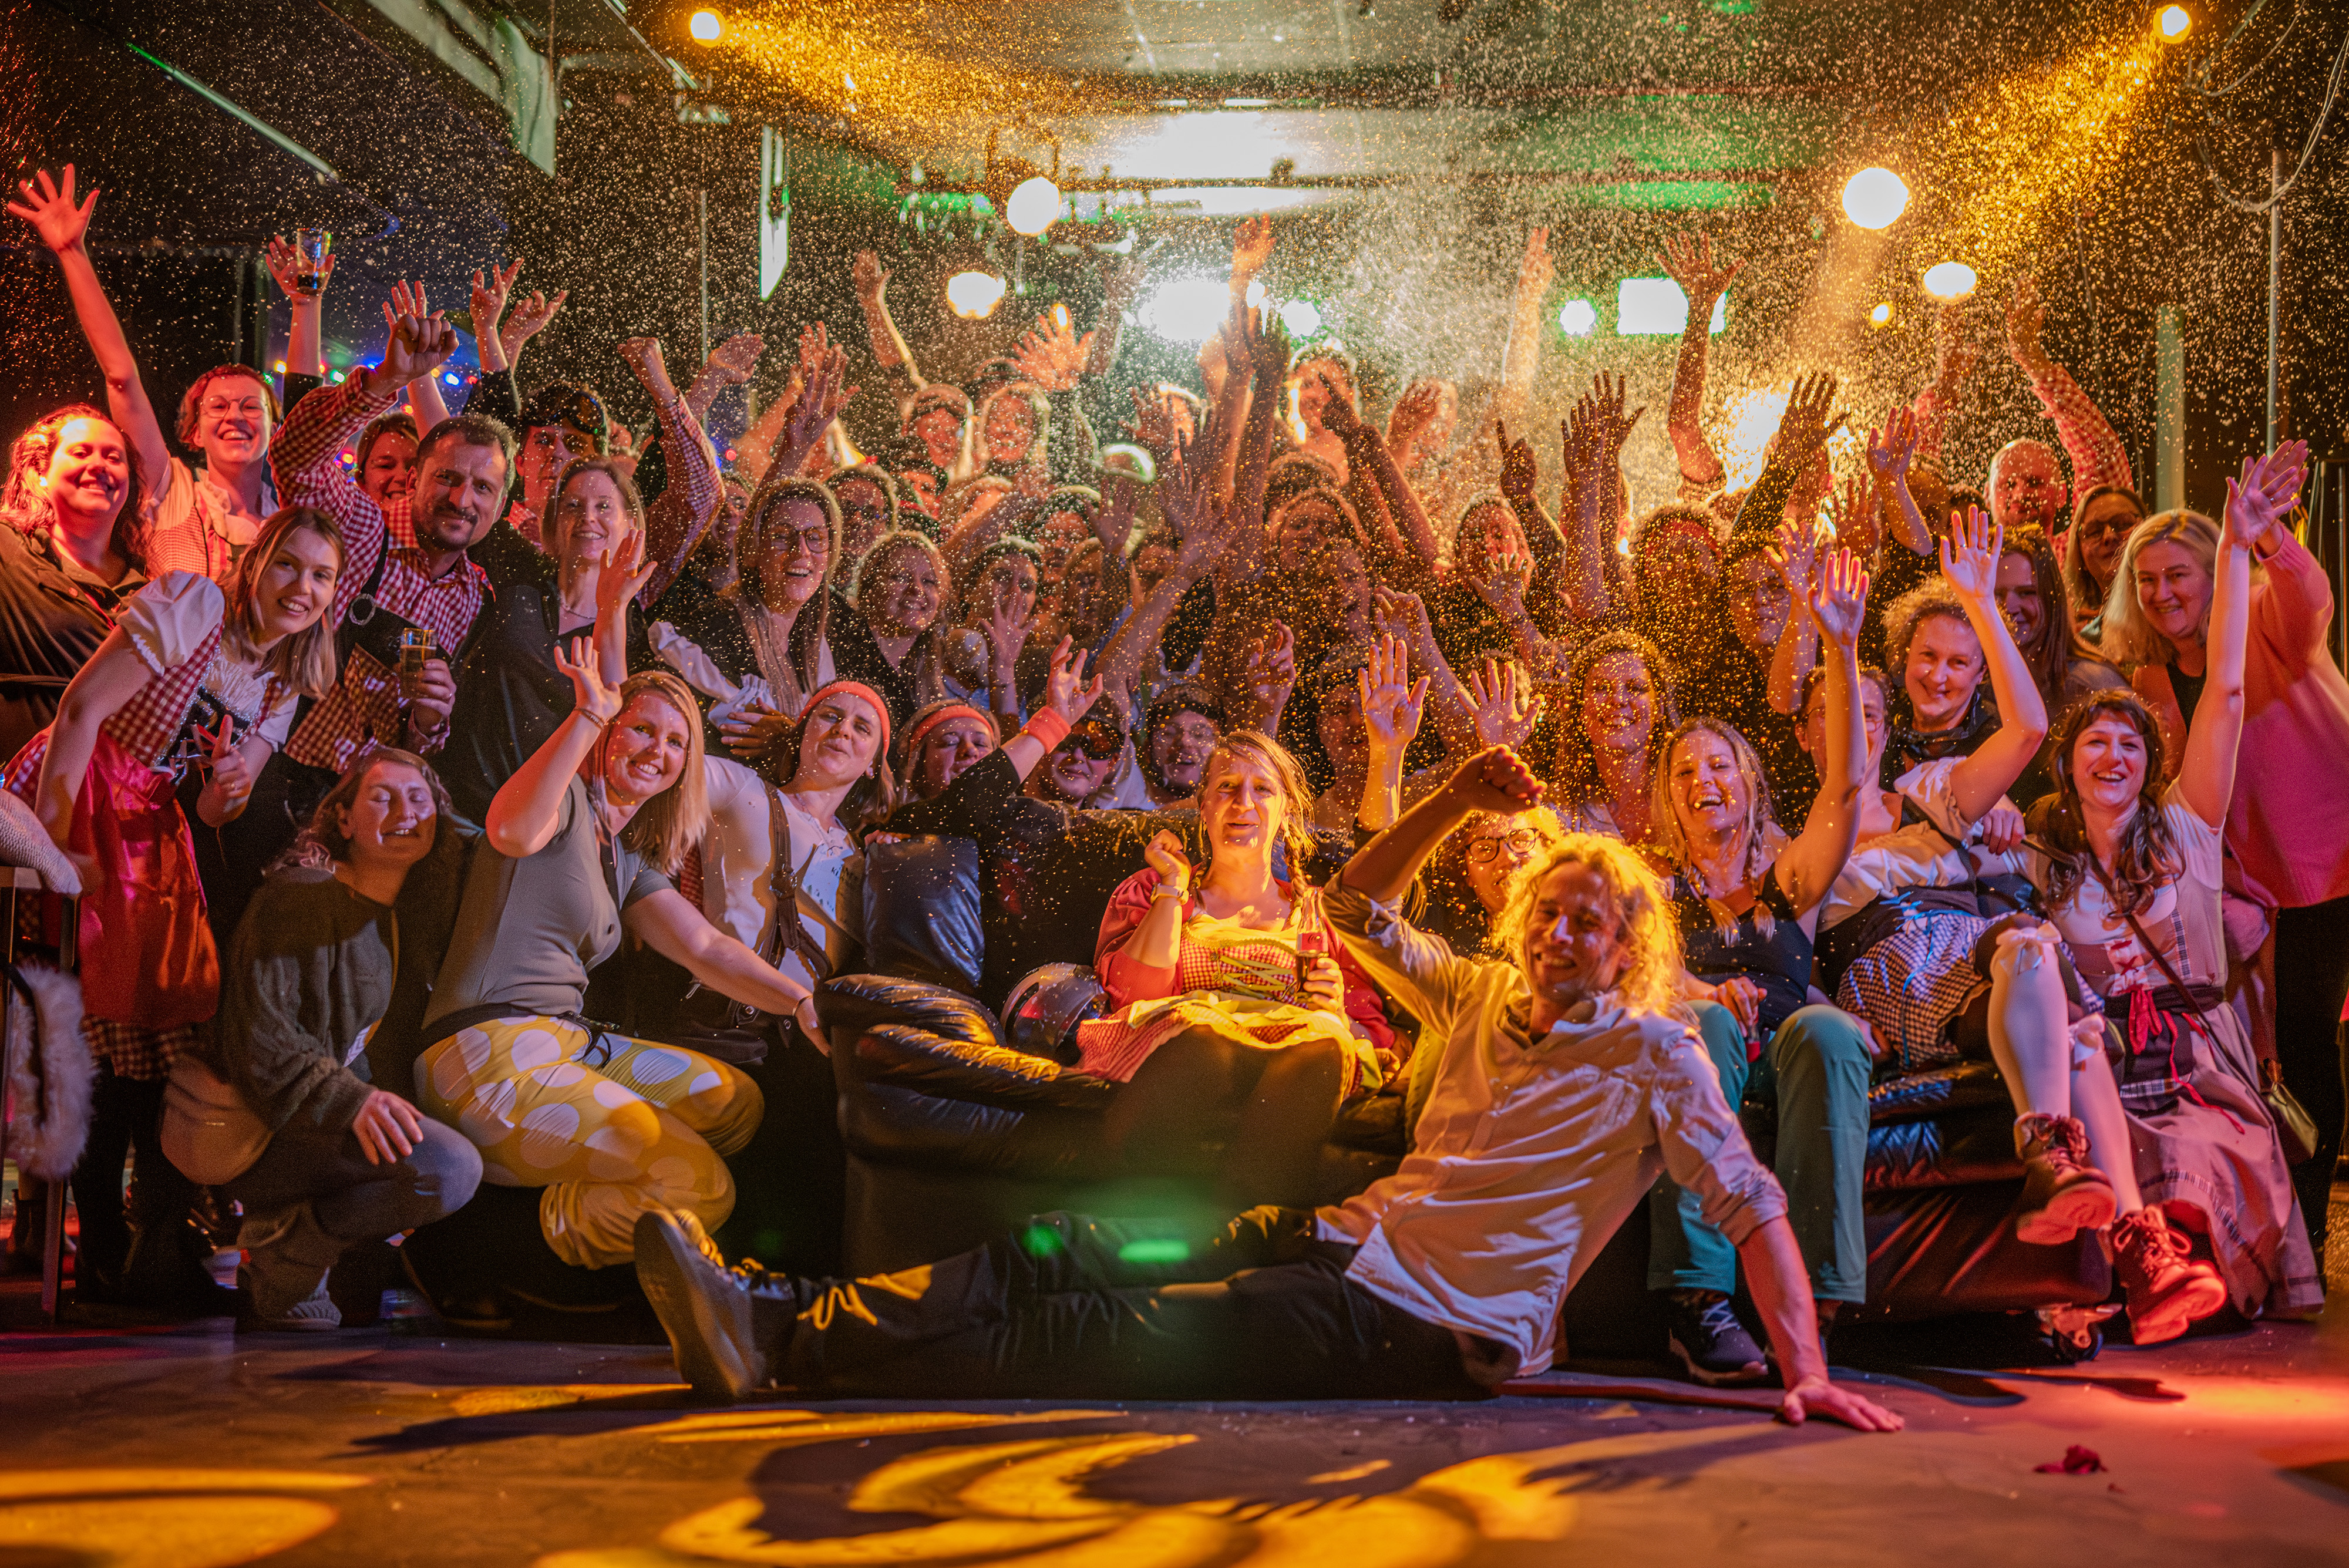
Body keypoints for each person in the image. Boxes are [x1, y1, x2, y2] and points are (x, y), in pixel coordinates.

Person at [628, 746, 1900, 1432]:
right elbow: (1349, 907)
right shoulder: (1466, 993)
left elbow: (1750, 1209)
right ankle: (772, 1307)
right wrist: (1453, 795)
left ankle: (786, 1346)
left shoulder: (1653, 1053)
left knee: (1099, 1339)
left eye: (1591, 925)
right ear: (1521, 924)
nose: (1567, 936)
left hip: (1421, 1324)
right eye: (1550, 915)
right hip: (1330, 1245)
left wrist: (1806, 1365)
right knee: (1067, 1247)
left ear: (1628, 948)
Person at [6, 507, 345, 1310]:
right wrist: (55, 851)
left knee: (161, 1019)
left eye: (322, 576)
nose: (302, 587)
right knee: (81, 1014)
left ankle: (140, 1247)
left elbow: (220, 809)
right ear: (257, 562)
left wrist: (225, 795)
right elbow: (82, 713)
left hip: (149, 824)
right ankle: (93, 1244)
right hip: (76, 787)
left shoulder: (281, 683)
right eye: (290, 565)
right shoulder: (194, 606)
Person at [2022, 445, 2321, 1333]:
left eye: (2130, 745)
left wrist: (2235, 548)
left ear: (2151, 762)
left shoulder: (2190, 826)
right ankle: (2149, 1277)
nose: (2113, 755)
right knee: (2120, 1141)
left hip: (2197, 1061)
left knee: (2198, 1144)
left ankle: (2184, 1273)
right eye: (2094, 745)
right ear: (2069, 768)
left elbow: (2225, 687)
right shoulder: (2050, 861)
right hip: (2108, 1064)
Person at [413, 657, 810, 1269]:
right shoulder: (562, 799)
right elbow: (513, 832)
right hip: (485, 1055)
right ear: (606, 734)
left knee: (733, 1101)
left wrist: (806, 1004)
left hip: (564, 1046)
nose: (659, 750)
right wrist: (588, 711)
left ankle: (598, 1213)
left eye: (677, 741)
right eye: (642, 730)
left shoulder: (627, 857)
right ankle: (485, 1246)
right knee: (702, 1187)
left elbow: (706, 949)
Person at [2102, 445, 2349, 1268]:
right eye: (2149, 580)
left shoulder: (2269, 626)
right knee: (2290, 1058)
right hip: (2261, 894)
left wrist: (2268, 537)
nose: (2165, 592)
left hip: (2335, 864)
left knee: (2315, 1045)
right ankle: (2292, 1234)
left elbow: (2313, 601)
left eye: (2182, 574)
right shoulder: (2148, 676)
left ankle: (2303, 1233)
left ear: (2218, 576)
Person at [1645, 549, 1873, 1355]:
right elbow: (1646, 972)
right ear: (1668, 796)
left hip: (1785, 1045)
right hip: (1704, 1037)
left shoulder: (1790, 877)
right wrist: (1704, 994)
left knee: (1831, 1029)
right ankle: (1697, 1302)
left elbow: (1845, 791)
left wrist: (1840, 649)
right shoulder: (1656, 889)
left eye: (1719, 765)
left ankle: (1819, 1300)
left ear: (1749, 782)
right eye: (1684, 771)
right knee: (1697, 1032)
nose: (1703, 780)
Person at [196, 750, 482, 1330]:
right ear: (344, 820)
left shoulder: (400, 918)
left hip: (324, 1131)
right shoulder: (298, 895)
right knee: (449, 1169)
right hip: (267, 1133)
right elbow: (255, 1033)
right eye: (383, 796)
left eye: (419, 797)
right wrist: (353, 1101)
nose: (405, 809)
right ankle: (285, 1246)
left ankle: (297, 1249)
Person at [1077, 731, 1397, 1207]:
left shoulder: (1322, 914)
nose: (1242, 802)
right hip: (1192, 1056)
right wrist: (1173, 887)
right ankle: (1137, 1209)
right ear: (1202, 806)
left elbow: (1373, 1034)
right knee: (1205, 1039)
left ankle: (1242, 1226)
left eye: (1262, 789)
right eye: (1226, 787)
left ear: (1286, 812)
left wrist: (1339, 1013)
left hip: (1295, 1064)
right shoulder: (1157, 889)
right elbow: (1133, 996)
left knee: (1327, 1044)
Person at [10, 166, 277, 581]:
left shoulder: (289, 516)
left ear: (276, 426)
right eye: (218, 406)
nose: (236, 416)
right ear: (192, 431)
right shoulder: (173, 489)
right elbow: (121, 376)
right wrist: (71, 253)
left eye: (251, 406)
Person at [0, 405, 149, 759]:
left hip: (112, 801)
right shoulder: (8, 552)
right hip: (17, 796)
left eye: (114, 457)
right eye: (80, 452)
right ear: (40, 473)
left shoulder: (148, 591)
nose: (99, 465)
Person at [1542, 630, 1677, 846]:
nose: (1618, 699)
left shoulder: (1689, 795)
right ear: (1580, 710)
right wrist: (1499, 748)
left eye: (1635, 688)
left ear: (1659, 708)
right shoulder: (1559, 811)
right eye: (1601, 688)